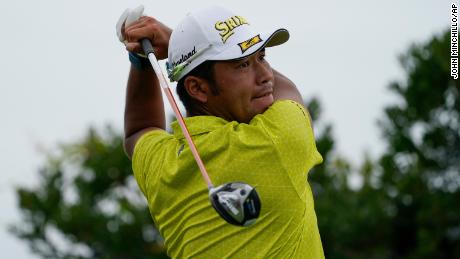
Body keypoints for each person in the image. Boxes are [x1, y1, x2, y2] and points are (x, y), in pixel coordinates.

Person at [117, 5, 324, 258]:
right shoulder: (275, 142)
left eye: (262, 57)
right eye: (243, 64)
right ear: (198, 88)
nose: (265, 74)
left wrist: (142, 61)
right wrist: (173, 42)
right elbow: (286, 91)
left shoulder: (165, 165)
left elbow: (139, 129)